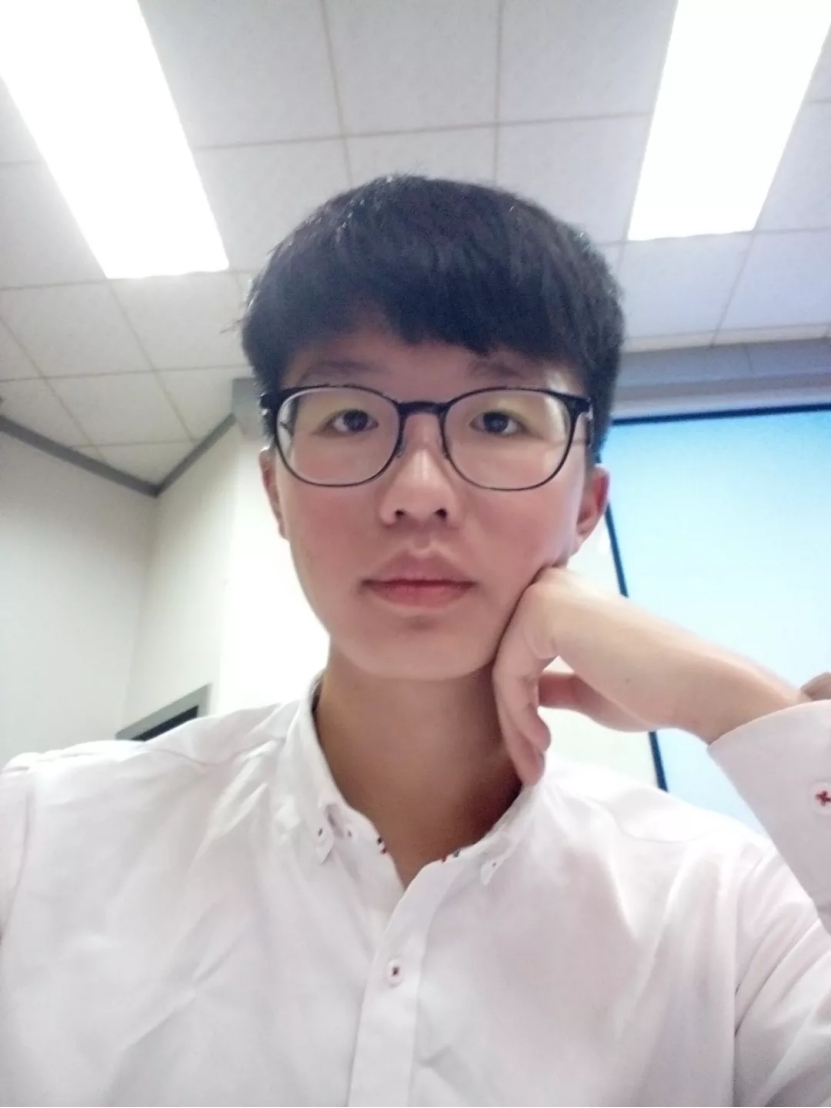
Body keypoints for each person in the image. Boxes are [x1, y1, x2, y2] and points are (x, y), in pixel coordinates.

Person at [1, 175, 829, 1107]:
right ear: (276, 491)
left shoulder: (731, 911)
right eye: (352, 418)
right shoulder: (36, 841)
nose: (418, 493)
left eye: (498, 418)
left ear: (585, 506)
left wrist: (733, 703)